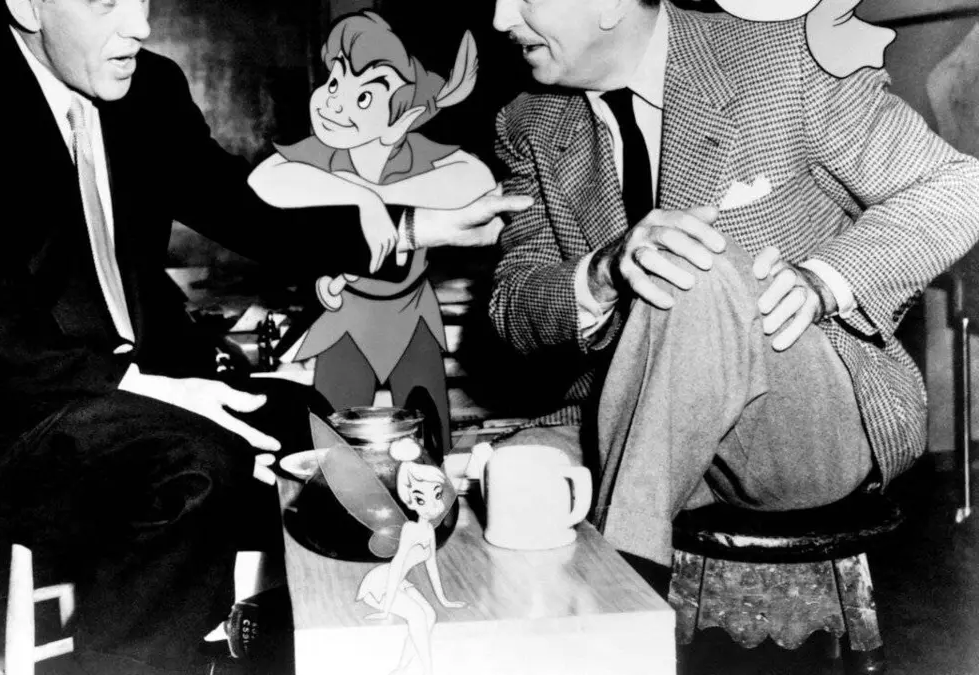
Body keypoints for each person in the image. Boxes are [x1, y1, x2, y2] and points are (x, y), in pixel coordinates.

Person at [0, 0, 531, 672]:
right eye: (106, 3)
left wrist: (416, 226)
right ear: (30, 6)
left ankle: (260, 644)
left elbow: (243, 209)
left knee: (332, 431)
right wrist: (144, 387)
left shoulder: (148, 85)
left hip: (121, 394)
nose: (140, 26)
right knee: (193, 468)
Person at [486, 0, 979, 578]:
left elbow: (956, 186)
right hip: (624, 415)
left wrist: (822, 281)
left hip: (800, 424)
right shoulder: (529, 120)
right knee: (515, 482)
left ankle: (626, 583)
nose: (500, 19)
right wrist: (606, 269)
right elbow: (513, 304)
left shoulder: (787, 57)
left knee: (693, 265)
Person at [248, 10, 496, 456]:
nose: (333, 103)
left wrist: (375, 195)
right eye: (334, 83)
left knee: (428, 442)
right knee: (332, 447)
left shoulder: (417, 154)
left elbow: (477, 181)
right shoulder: (322, 154)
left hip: (412, 316)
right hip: (344, 318)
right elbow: (261, 182)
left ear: (405, 117)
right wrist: (360, 198)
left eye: (363, 97)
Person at [356, 460, 464, 675]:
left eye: (437, 495)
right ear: (411, 501)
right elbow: (397, 565)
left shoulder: (429, 531)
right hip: (383, 583)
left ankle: (402, 667)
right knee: (417, 617)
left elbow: (431, 566)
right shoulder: (410, 529)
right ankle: (428, 669)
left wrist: (444, 599)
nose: (431, 505)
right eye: (421, 499)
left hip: (400, 583)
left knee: (430, 616)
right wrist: (386, 609)